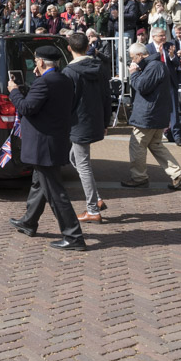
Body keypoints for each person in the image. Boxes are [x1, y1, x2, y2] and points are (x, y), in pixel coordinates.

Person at [7, 45, 86, 251]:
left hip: (43, 145)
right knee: (39, 184)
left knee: (55, 192)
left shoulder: (44, 83)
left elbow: (26, 107)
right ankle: (29, 221)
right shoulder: (64, 79)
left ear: (41, 62)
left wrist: (14, 92)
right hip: (55, 140)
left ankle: (73, 235)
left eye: (36, 62)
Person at [121, 42, 181, 190]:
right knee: (155, 145)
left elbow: (143, 87)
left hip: (148, 114)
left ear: (140, 55)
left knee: (138, 145)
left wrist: (134, 74)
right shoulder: (155, 65)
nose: (132, 61)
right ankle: (177, 174)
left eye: (133, 58)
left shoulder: (154, 66)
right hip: (155, 113)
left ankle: (139, 177)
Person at [63, 32, 112, 223]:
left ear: (69, 48)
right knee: (74, 158)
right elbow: (107, 97)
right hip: (94, 120)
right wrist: (105, 121)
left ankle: (92, 209)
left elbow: (67, 102)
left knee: (83, 165)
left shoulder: (69, 72)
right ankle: (97, 200)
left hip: (78, 122)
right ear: (87, 47)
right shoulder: (100, 67)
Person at [147, 27, 181, 145]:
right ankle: (155, 134)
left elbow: (176, 64)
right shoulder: (148, 48)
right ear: (154, 37)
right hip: (156, 83)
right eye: (161, 36)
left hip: (170, 81)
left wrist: (172, 56)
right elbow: (147, 64)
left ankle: (176, 135)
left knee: (174, 108)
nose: (164, 37)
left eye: (164, 35)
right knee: (156, 108)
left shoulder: (170, 45)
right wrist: (158, 54)